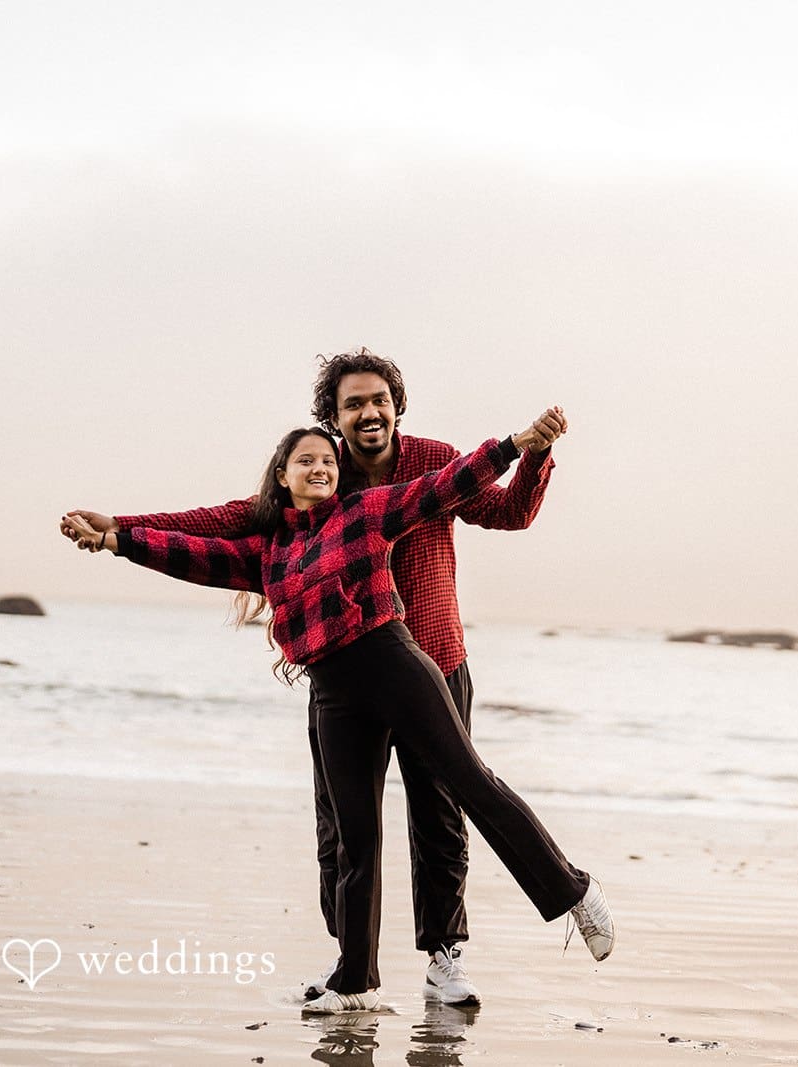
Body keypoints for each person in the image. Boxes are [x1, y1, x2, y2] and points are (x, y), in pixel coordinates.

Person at [61, 348, 562, 1007]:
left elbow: (508, 512)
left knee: (439, 818)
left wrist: (532, 454)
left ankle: (445, 958)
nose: (368, 411)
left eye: (379, 399)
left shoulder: (432, 459)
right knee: (344, 825)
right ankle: (353, 961)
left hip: (432, 661)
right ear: (332, 416)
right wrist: (123, 528)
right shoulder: (322, 473)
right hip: (347, 678)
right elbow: (228, 520)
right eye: (353, 403)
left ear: (396, 405)